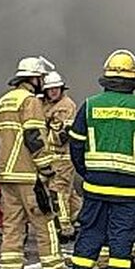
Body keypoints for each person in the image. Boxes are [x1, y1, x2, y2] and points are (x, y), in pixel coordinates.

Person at [68, 50, 135, 269]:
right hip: (128, 190)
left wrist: (86, 172)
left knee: (90, 234)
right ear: (133, 79)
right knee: (121, 238)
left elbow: (76, 143)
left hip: (96, 185)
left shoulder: (90, 105)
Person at [0, 56, 68, 269]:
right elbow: (34, 138)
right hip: (28, 175)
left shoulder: (5, 101)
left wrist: (10, 141)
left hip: (6, 174)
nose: (43, 82)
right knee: (45, 220)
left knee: (12, 222)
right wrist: (47, 167)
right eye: (41, 78)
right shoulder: (30, 102)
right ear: (33, 78)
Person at [42, 71, 82, 242]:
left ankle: (64, 228)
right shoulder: (45, 104)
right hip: (51, 157)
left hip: (62, 157)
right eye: (50, 89)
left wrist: (41, 132)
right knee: (68, 192)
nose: (53, 92)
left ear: (61, 89)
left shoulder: (65, 106)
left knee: (59, 192)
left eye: (56, 88)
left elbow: (61, 137)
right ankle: (79, 217)